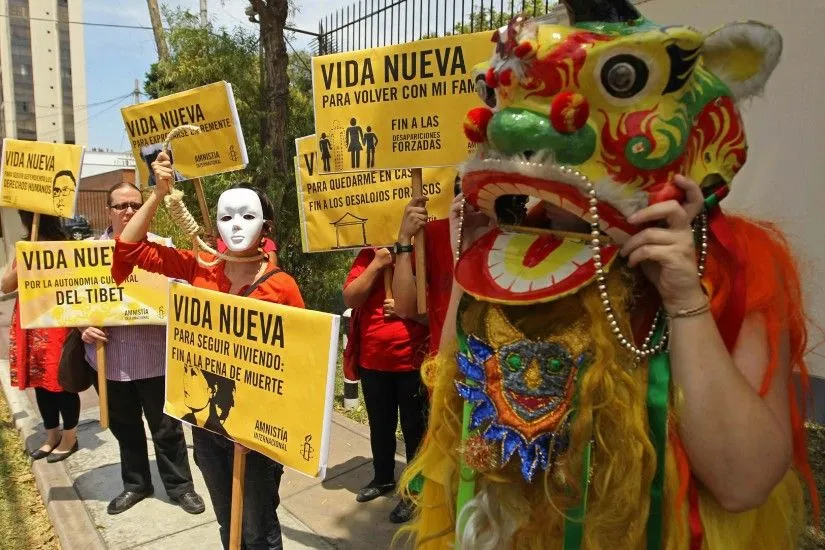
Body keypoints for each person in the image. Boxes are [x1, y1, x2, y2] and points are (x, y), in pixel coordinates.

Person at [399, 6, 816, 550]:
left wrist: (685, 299)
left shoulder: (734, 262)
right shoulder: (518, 246)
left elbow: (745, 482)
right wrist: (470, 267)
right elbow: (454, 423)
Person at [112, 151, 304, 549]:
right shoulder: (200, 267)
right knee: (227, 527)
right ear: (214, 222)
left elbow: (300, 364)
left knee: (259, 530)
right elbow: (128, 250)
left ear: (265, 225)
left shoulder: (282, 287)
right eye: (227, 216)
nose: (236, 225)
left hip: (255, 435)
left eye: (247, 217)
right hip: (207, 426)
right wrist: (158, 193)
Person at [80, 182, 204, 516]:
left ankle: (180, 487)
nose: (129, 212)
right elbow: (68, 301)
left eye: (135, 205)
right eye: (121, 206)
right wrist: (83, 326)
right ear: (108, 210)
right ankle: (135, 484)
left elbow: (185, 298)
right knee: (125, 429)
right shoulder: (88, 251)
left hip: (155, 360)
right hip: (110, 362)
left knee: (167, 430)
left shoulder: (163, 247)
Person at [343, 246, 429, 523]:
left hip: (413, 363)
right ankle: (383, 478)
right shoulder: (369, 255)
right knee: (380, 426)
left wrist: (407, 310)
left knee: (416, 431)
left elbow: (437, 311)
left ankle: (414, 492)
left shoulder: (423, 252)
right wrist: (377, 263)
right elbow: (351, 297)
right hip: (372, 362)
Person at [1, 212, 80, 462]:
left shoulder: (66, 246)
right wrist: (25, 258)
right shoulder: (25, 246)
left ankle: (70, 436)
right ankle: (51, 434)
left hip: (57, 323)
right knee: (40, 382)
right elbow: (6, 286)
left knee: (61, 380)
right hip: (31, 324)